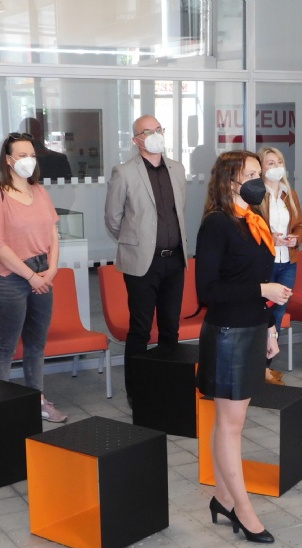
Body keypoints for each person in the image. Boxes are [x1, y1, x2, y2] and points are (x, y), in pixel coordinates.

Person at [195, 150, 292, 544]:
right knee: (231, 425)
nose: (258, 179)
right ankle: (242, 509)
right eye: (250, 174)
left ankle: (223, 498)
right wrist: (262, 290)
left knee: (230, 423)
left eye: (258, 172)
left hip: (251, 328)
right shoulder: (217, 224)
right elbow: (208, 290)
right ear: (229, 180)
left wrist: (269, 327)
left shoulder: (254, 219)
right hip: (228, 333)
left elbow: (257, 281)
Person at [0, 132, 67, 423]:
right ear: (8, 160)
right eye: (21, 155)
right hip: (10, 278)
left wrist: (51, 270)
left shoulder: (39, 191)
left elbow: (53, 233)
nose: (28, 160)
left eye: (31, 155)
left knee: (36, 345)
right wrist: (31, 276)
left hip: (43, 274)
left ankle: (37, 400)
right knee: (4, 347)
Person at [104, 114, 188, 407]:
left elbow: (179, 212)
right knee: (140, 329)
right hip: (143, 263)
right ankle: (137, 392)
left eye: (159, 129)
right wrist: (137, 242)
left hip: (174, 261)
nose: (156, 135)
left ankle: (168, 386)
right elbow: (113, 219)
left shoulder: (177, 169)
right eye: (148, 131)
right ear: (136, 140)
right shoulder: (124, 172)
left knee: (170, 329)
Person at [257, 145, 302, 384]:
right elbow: (253, 229)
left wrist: (296, 238)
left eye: (279, 162)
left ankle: (266, 366)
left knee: (278, 313)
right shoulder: (257, 196)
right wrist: (271, 238)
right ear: (261, 168)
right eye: (270, 163)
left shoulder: (290, 194)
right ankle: (257, 367)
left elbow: (299, 226)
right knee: (262, 314)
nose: (276, 167)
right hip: (266, 263)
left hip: (288, 261)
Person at [19, 117, 72, 182]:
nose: (32, 136)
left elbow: (69, 184)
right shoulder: (18, 161)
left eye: (34, 132)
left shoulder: (59, 159)